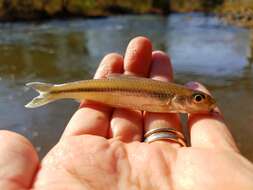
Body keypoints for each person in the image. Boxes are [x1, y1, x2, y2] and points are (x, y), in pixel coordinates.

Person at [0, 36, 253, 190]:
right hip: (100, 89)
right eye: (198, 99)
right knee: (65, 91)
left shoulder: (172, 98)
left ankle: (53, 91)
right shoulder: (171, 98)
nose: (203, 102)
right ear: (181, 99)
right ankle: (53, 91)